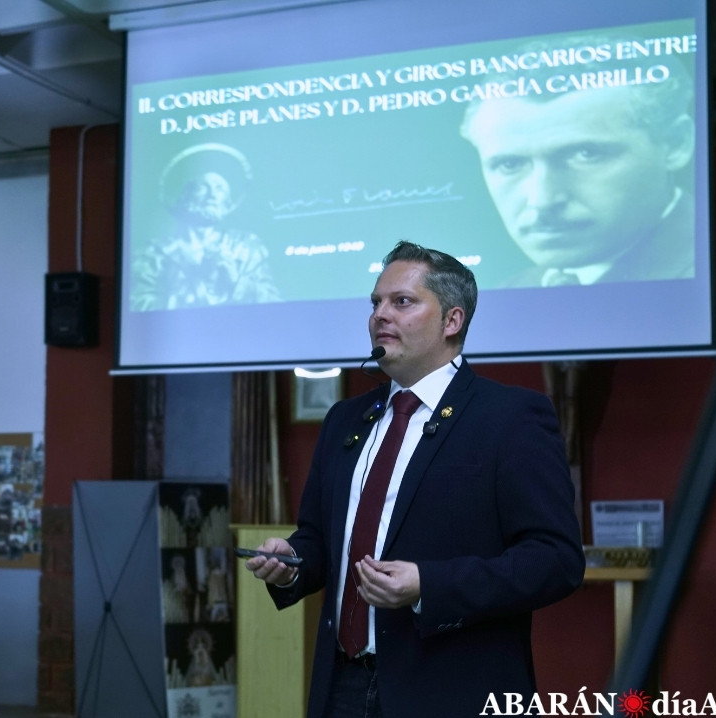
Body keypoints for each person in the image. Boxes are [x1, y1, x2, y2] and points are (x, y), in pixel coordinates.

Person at [244, 241, 583, 717]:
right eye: (375, 303)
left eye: (402, 302)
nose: (381, 314)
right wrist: (294, 559)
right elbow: (322, 538)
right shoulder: (345, 419)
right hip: (341, 685)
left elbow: (556, 561)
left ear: (452, 321)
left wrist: (430, 584)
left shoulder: (509, 418)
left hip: (453, 691)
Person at [460, 36, 695, 287]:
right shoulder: (504, 292)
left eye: (586, 155)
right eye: (509, 165)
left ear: (674, 144)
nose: (542, 200)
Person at [130, 143, 279, 310]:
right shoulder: (153, 253)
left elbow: (273, 302)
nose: (213, 194)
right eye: (204, 187)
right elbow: (139, 304)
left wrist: (236, 280)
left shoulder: (246, 246)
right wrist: (192, 295)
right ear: (186, 195)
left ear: (227, 201)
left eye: (220, 188)